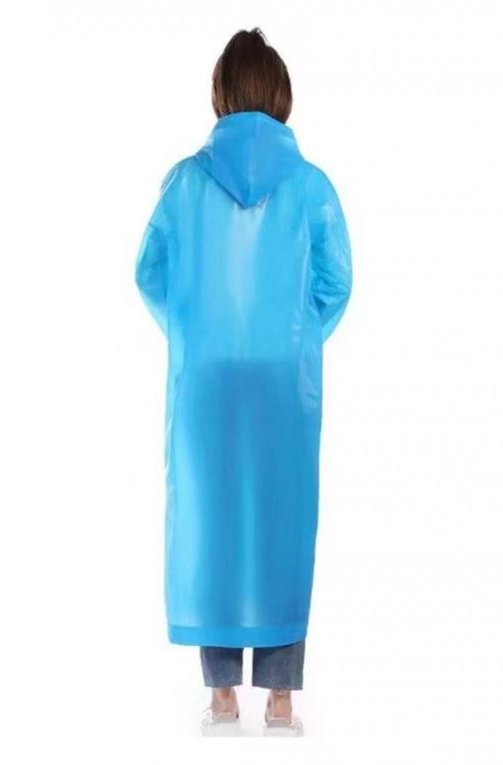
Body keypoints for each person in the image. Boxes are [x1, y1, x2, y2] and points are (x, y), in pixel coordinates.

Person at [136, 28, 352, 736]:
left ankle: (223, 696)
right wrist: (296, 337)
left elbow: (150, 272)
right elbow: (336, 282)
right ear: (281, 95)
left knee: (215, 523)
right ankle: (282, 700)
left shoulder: (185, 182)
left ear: (221, 93)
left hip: (208, 380)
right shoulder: (311, 185)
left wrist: (194, 331)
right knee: (280, 521)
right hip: (283, 380)